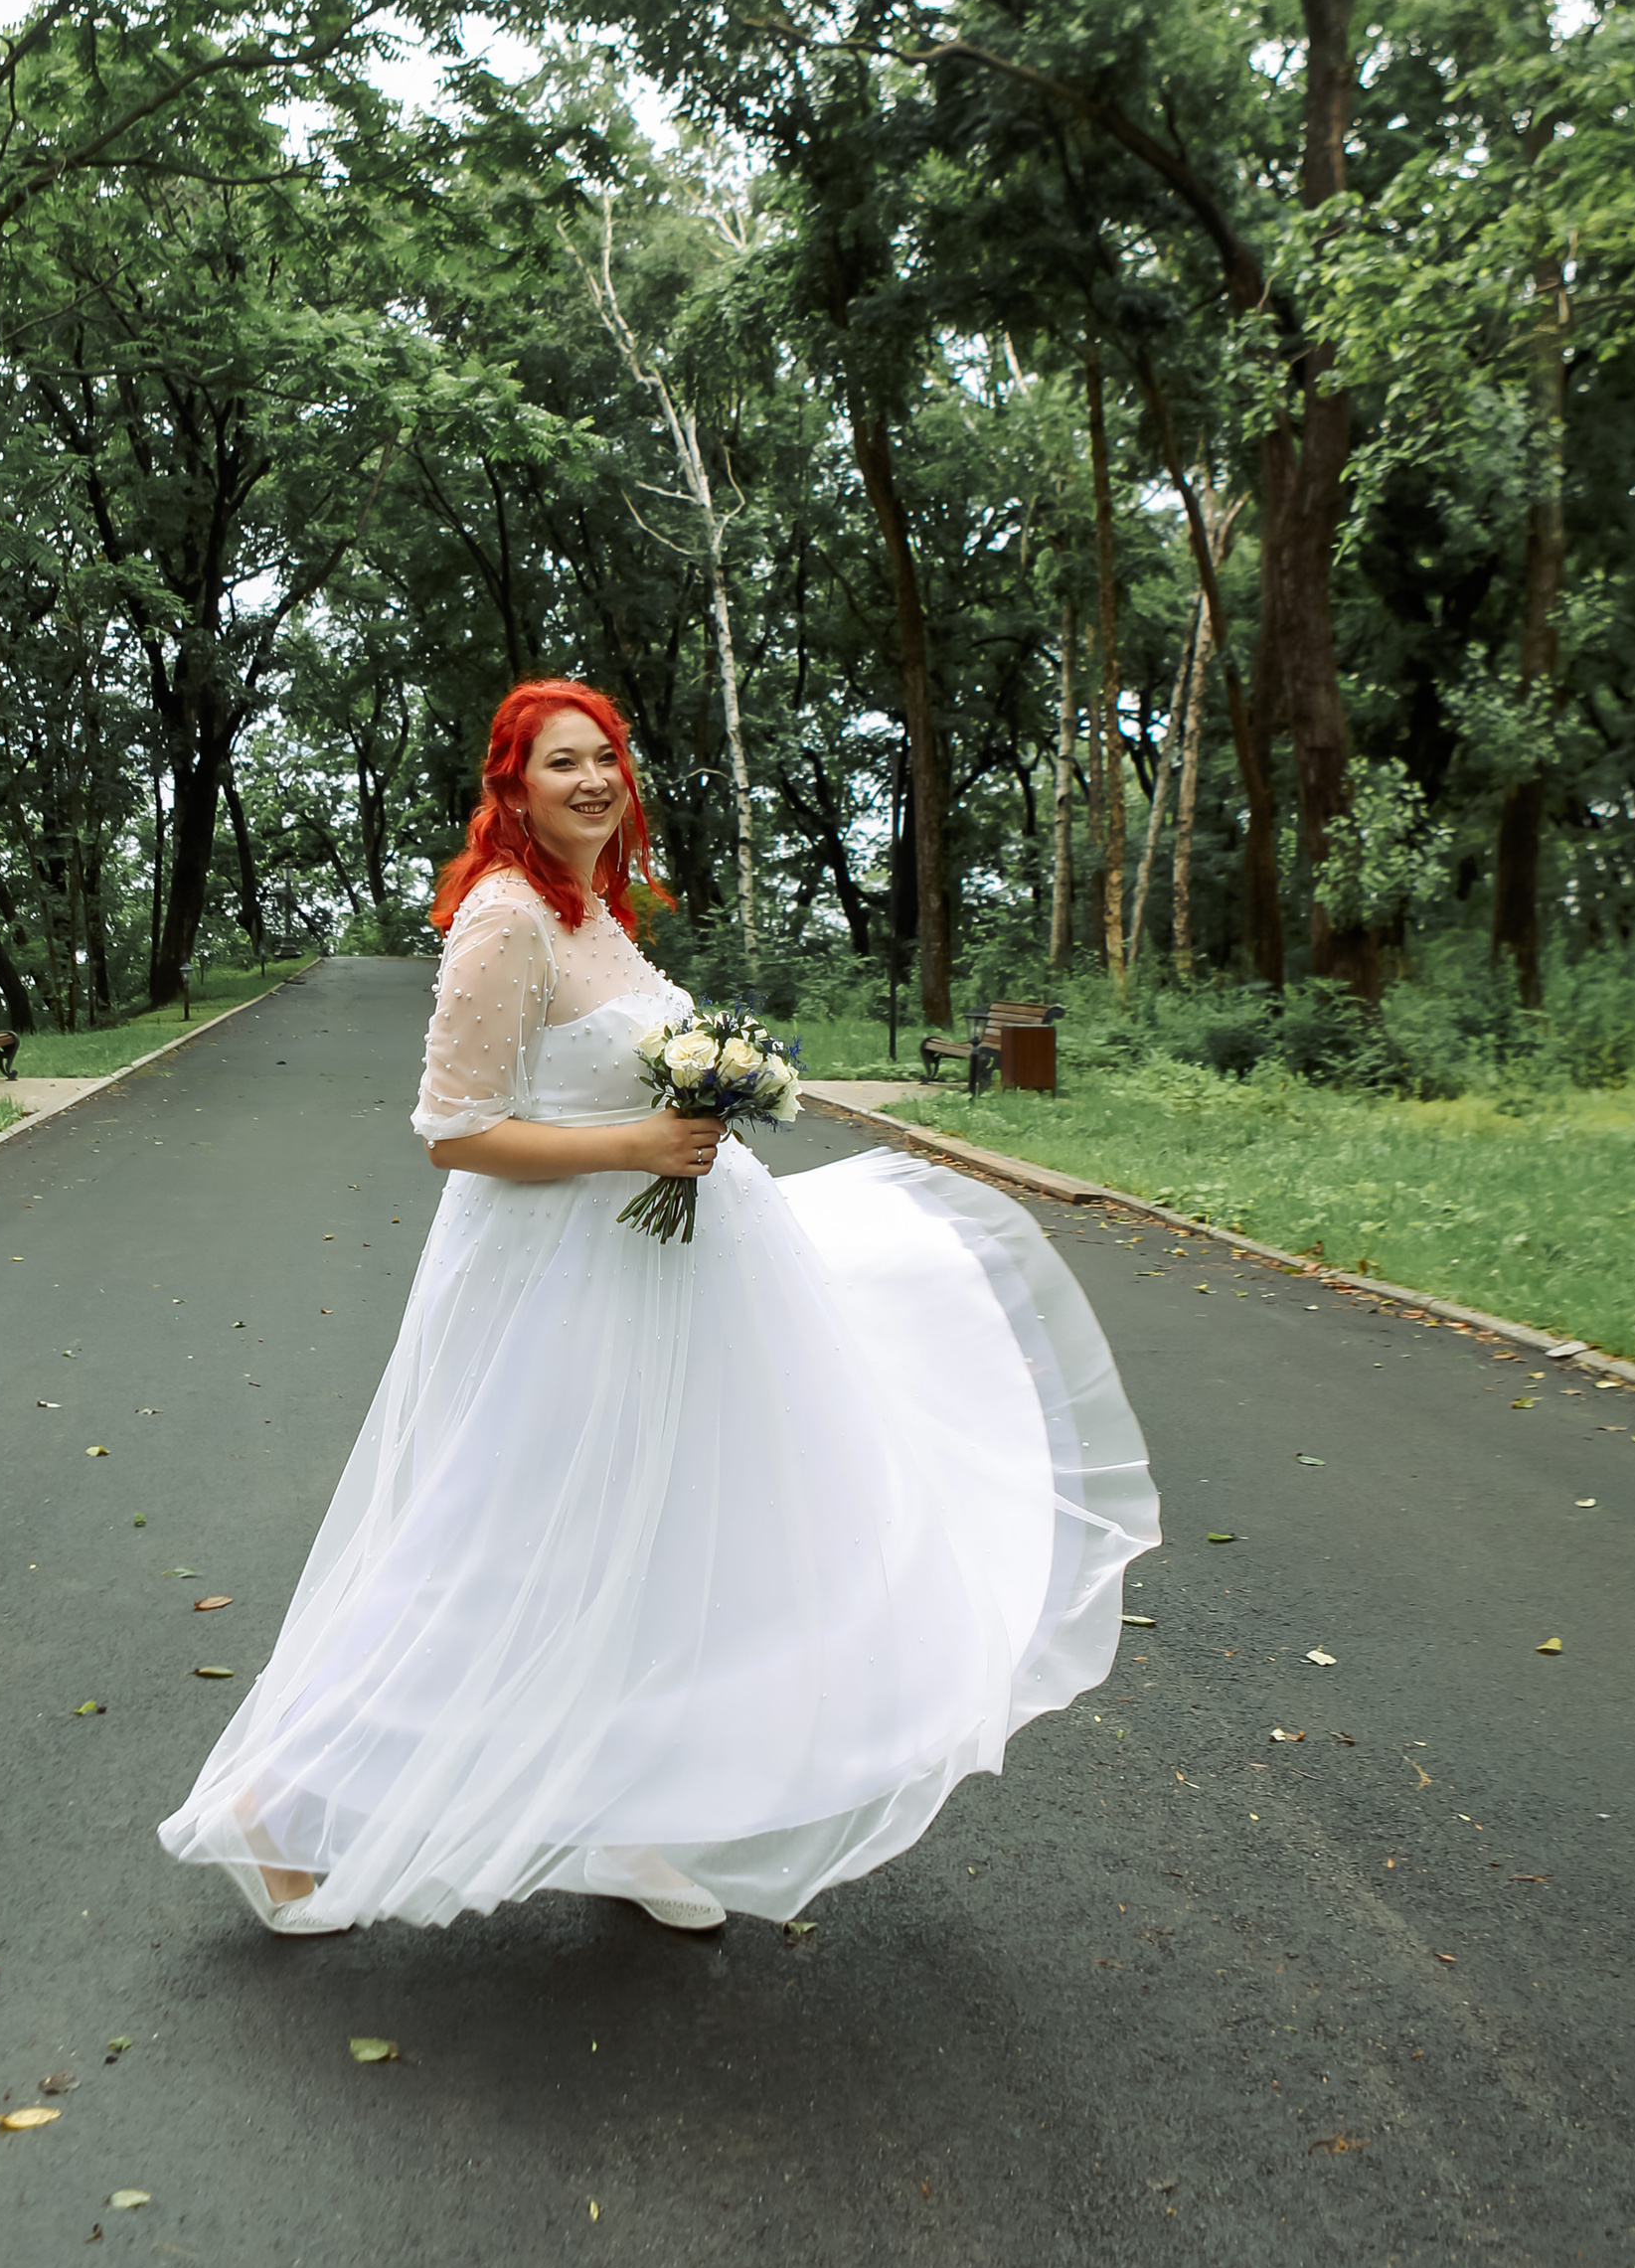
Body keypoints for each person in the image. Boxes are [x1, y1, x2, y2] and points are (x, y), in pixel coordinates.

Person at [159, 678, 1158, 1936]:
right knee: (503, 1546)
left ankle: (632, 1820)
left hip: (666, 1275)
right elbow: (454, 1133)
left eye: (607, 761)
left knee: (667, 1542)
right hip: (553, 1281)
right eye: (561, 762)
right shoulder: (506, 920)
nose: (591, 781)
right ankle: (275, 1803)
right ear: (512, 785)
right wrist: (636, 1141)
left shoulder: (596, 915)